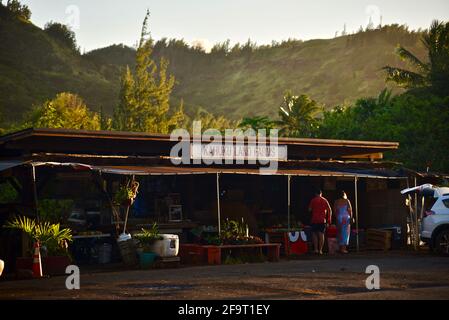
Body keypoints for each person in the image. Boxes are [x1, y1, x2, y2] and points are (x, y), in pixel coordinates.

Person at [308, 189, 332, 254]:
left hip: (314, 219)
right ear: (321, 193)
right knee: (321, 234)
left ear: (316, 194)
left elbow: (309, 209)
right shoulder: (325, 200)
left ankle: (315, 249)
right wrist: (329, 220)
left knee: (314, 234)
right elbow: (330, 210)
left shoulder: (313, 200)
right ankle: (320, 250)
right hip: (322, 220)